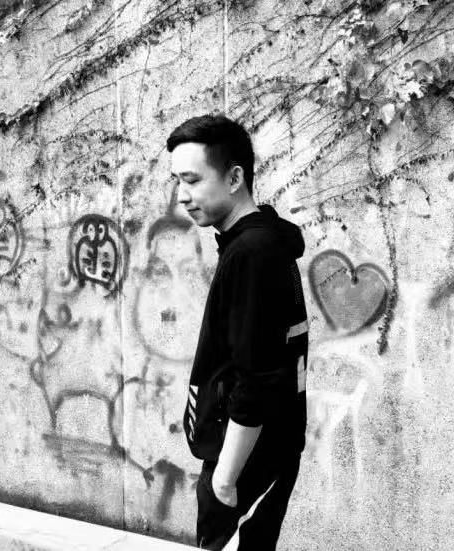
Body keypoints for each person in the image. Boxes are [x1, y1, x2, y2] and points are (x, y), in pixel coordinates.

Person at [166, 114, 309, 551]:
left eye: (192, 180)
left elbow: (258, 376)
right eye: (177, 181)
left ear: (234, 178)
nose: (181, 195)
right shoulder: (260, 242)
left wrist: (225, 480)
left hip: (248, 461)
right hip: (260, 452)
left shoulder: (252, 253)